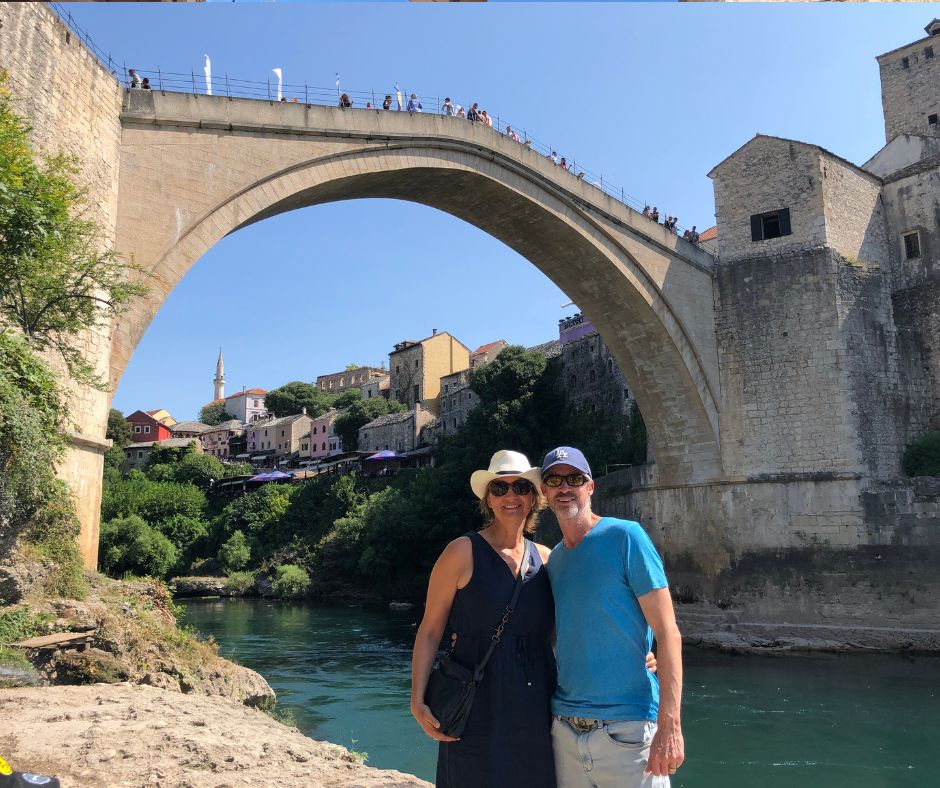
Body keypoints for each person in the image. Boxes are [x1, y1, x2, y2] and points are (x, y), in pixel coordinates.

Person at [540, 446, 684, 787]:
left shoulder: (626, 537)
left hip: (630, 730)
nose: (564, 487)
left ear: (590, 487)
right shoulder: (555, 561)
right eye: (554, 480)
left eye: (574, 479)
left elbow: (668, 633)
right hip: (566, 730)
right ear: (544, 492)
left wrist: (670, 726)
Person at [412, 450, 557, 788]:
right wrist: (417, 700)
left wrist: (638, 654)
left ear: (534, 497)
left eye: (520, 487)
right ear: (487, 500)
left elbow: (568, 630)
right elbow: (431, 630)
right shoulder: (461, 552)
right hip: (474, 700)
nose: (510, 496)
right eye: (499, 489)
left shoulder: (549, 560)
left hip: (535, 700)